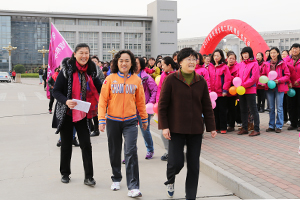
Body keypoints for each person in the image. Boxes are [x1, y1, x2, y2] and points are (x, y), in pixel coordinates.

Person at [158, 48, 217, 200]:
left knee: (194, 166)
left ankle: (191, 196)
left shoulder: (200, 80)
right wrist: (164, 126)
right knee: (175, 163)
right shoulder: (171, 79)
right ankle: (170, 180)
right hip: (176, 129)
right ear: (180, 61)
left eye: (194, 59)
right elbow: (162, 105)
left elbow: (206, 106)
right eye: (188, 59)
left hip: (196, 129)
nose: (192, 62)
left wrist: (211, 127)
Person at [98, 50, 147, 198]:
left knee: (131, 151)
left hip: (131, 121)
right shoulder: (110, 79)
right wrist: (101, 119)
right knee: (114, 150)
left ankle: (133, 186)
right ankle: (116, 178)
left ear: (131, 63)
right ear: (116, 63)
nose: (124, 63)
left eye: (127, 60)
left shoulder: (136, 80)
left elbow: (141, 102)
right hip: (113, 120)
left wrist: (144, 119)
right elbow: (102, 101)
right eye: (121, 61)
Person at [52, 43, 102, 186]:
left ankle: (89, 177)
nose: (84, 56)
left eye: (86, 53)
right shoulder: (66, 70)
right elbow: (56, 91)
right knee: (66, 144)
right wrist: (66, 101)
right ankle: (65, 173)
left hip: (83, 114)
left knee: (86, 144)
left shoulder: (92, 70)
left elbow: (100, 87)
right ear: (74, 54)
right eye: (81, 52)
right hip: (67, 113)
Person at [263, 47, 290, 133]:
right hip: (269, 88)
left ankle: (279, 126)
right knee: (271, 107)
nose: (273, 55)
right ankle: (271, 125)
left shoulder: (283, 63)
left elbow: (287, 75)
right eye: (271, 53)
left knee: (279, 107)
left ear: (278, 53)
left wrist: (279, 80)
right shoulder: (266, 64)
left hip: (279, 87)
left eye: (274, 53)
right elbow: (263, 74)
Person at [156, 56, 177, 161]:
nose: (161, 67)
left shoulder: (178, 76)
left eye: (163, 65)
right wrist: (158, 102)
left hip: (175, 109)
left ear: (169, 65)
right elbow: (159, 90)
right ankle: (169, 151)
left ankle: (176, 152)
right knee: (163, 131)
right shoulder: (163, 75)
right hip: (165, 107)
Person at [136, 57, 157, 159]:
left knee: (145, 130)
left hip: (144, 109)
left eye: (137, 63)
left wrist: (149, 103)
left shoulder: (146, 77)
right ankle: (130, 153)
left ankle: (150, 150)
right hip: (130, 109)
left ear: (141, 65)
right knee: (129, 132)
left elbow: (154, 90)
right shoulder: (127, 77)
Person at [237, 47, 260, 136]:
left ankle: (257, 129)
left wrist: (244, 85)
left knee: (253, 109)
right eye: (243, 53)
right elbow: (238, 75)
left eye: (246, 53)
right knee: (243, 109)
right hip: (241, 90)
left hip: (250, 89)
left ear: (250, 54)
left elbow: (254, 78)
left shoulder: (254, 64)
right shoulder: (241, 64)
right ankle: (245, 128)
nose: (245, 55)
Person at [207, 49, 231, 134]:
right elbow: (208, 79)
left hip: (221, 93)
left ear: (221, 56)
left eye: (218, 55)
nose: (216, 57)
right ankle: (216, 127)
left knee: (222, 111)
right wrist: (209, 90)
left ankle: (223, 127)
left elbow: (227, 79)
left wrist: (225, 90)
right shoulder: (210, 66)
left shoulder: (224, 66)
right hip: (213, 93)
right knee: (214, 111)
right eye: (214, 55)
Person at [285, 43, 300, 131]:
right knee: (291, 105)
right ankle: (293, 123)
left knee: (299, 105)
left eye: (297, 48)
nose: (295, 50)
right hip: (290, 86)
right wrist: (289, 81)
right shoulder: (287, 60)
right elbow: (285, 72)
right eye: (293, 48)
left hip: (299, 85)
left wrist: (298, 81)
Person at [226, 51, 239, 132]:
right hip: (224, 90)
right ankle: (226, 123)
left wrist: (229, 77)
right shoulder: (224, 66)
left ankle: (231, 124)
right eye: (230, 58)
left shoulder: (237, 67)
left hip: (233, 90)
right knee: (225, 108)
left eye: (233, 59)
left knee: (232, 108)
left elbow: (236, 78)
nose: (231, 60)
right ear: (227, 59)